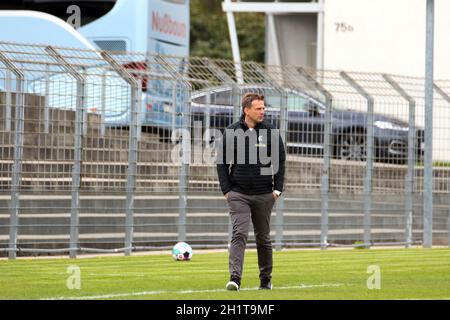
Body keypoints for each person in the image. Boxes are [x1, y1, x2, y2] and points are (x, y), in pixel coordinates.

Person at [216, 92, 286, 291]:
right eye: (259, 108)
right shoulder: (231, 132)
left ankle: (265, 280)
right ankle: (235, 279)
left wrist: (278, 189)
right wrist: (227, 190)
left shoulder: (271, 132)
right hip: (238, 194)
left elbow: (280, 161)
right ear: (247, 110)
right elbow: (222, 162)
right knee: (239, 234)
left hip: (265, 194)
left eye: (264, 108)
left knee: (263, 238)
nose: (263, 111)